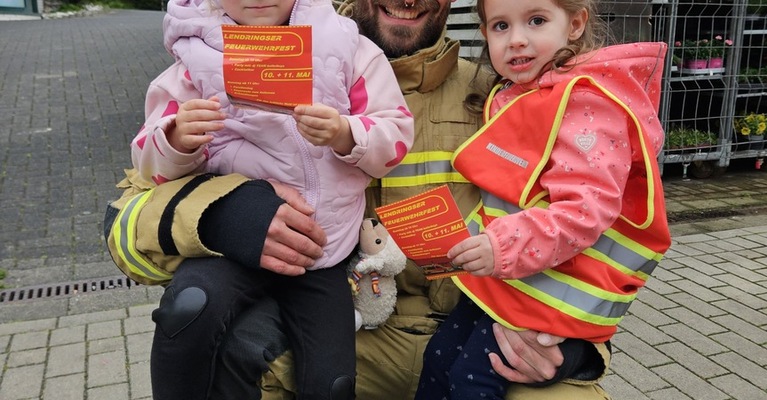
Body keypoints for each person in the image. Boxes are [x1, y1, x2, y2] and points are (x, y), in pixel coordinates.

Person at [104, 0, 615, 398]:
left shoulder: (513, 94)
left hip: (478, 337)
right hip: (354, 333)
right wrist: (223, 210)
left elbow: (594, 227)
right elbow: (124, 223)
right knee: (233, 356)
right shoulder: (234, 62)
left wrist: (577, 350)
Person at [124, 0, 413, 398]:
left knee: (334, 383)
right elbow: (146, 164)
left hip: (322, 251)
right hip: (233, 249)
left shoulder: (349, 47)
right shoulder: (192, 59)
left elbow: (395, 136)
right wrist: (174, 138)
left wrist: (346, 133)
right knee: (187, 310)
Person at [413, 0, 671, 398]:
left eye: (536, 21)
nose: (516, 40)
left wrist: (500, 245)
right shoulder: (522, 93)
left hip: (546, 291)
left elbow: (585, 210)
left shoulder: (585, 103)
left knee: (471, 377)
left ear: (576, 23)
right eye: (500, 26)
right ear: (484, 34)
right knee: (440, 360)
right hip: (510, 281)